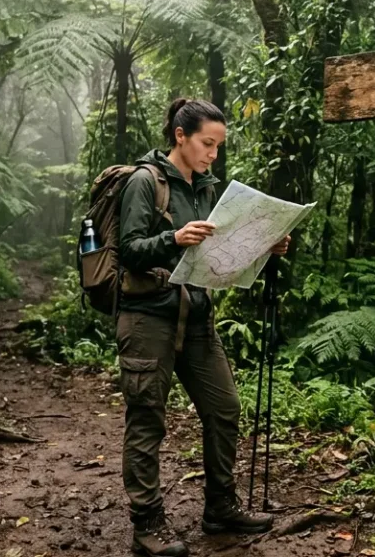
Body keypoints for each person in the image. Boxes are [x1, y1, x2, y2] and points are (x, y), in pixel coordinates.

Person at [116, 98, 289, 556]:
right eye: (206, 144)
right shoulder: (144, 182)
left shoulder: (206, 189)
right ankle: (147, 526)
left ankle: (220, 508)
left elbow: (218, 253)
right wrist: (173, 238)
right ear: (180, 136)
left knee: (224, 408)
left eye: (217, 147)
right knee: (147, 419)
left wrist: (265, 246)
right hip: (148, 317)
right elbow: (129, 250)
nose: (213, 154)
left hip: (195, 316)